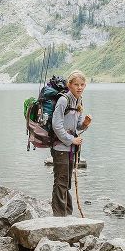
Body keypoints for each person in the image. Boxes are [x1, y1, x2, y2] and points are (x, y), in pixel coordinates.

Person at [50, 70, 92, 216]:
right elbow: (56, 125)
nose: (79, 87)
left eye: (82, 85)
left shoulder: (78, 100)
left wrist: (85, 124)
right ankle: (59, 215)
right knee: (61, 181)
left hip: (70, 149)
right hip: (60, 147)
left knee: (66, 181)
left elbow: (77, 125)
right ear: (69, 85)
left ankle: (67, 213)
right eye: (76, 85)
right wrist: (71, 140)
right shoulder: (63, 100)